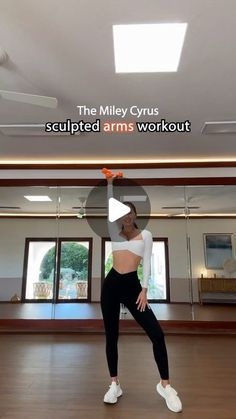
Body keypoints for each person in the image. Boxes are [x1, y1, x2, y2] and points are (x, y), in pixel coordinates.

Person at [100, 171, 182, 413]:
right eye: (122, 212)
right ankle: (114, 384)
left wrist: (145, 289)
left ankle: (165, 385)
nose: (126, 216)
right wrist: (110, 183)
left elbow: (146, 262)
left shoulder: (145, 234)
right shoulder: (114, 231)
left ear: (135, 214)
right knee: (111, 335)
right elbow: (109, 206)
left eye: (130, 212)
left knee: (157, 333)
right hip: (111, 285)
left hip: (133, 287)